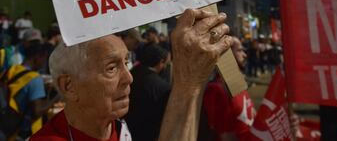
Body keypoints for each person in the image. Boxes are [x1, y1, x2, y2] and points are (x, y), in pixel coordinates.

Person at [31, 9, 233, 141]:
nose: (129, 78)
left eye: (126, 62)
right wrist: (188, 84)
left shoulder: (118, 128)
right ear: (69, 86)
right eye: (111, 68)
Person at [202, 36, 255, 141]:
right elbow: (225, 135)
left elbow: (251, 114)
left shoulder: (237, 84)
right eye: (239, 50)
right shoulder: (216, 89)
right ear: (226, 54)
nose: (244, 55)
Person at [126, 44, 171, 141]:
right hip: (148, 133)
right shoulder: (161, 87)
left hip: (127, 130)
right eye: (166, 64)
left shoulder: (130, 75)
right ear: (161, 62)